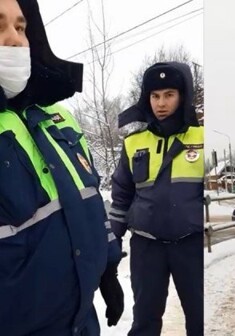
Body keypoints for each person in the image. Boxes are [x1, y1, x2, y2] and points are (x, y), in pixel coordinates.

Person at [0, 0, 123, 334]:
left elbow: (91, 199)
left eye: (21, 27)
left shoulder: (59, 119)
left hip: (80, 320)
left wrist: (108, 268)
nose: (14, 39)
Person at [109, 62, 204, 335]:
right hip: (146, 247)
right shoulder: (133, 142)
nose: (160, 103)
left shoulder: (201, 138)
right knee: (144, 322)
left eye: (169, 95)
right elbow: (121, 197)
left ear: (182, 96)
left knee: (200, 319)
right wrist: (112, 240)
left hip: (191, 245)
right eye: (154, 96)